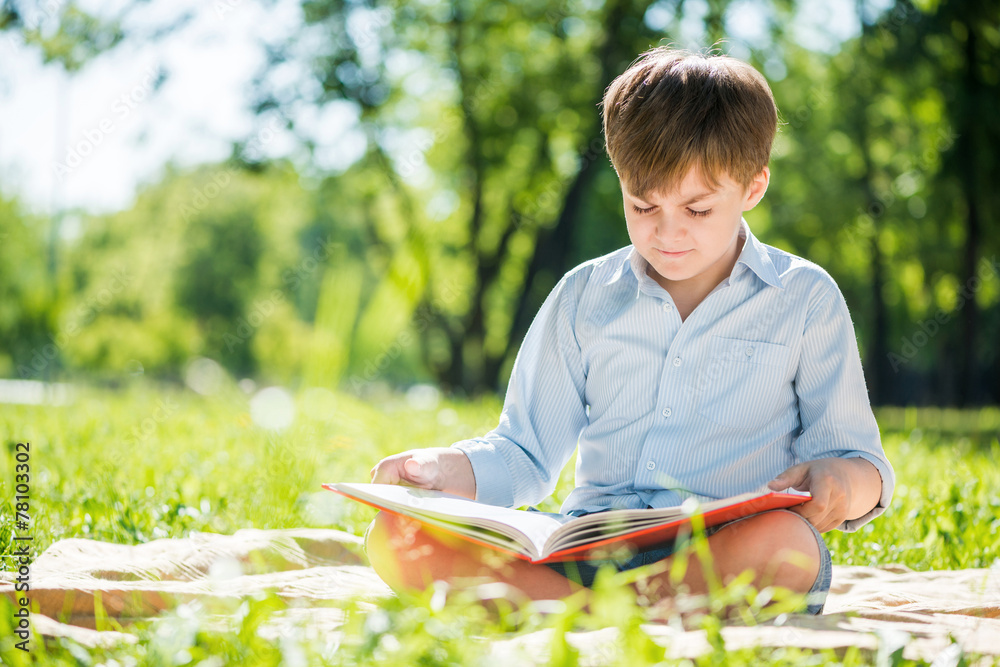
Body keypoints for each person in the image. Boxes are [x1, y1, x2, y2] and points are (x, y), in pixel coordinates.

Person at [365, 46, 895, 616]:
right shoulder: (583, 296)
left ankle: (571, 612)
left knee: (788, 546)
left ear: (753, 188)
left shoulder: (804, 298)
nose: (668, 234)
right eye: (643, 206)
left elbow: (860, 461)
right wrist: (445, 470)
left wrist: (840, 480)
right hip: (587, 546)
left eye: (697, 211)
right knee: (395, 536)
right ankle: (627, 609)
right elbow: (524, 451)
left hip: (724, 548)